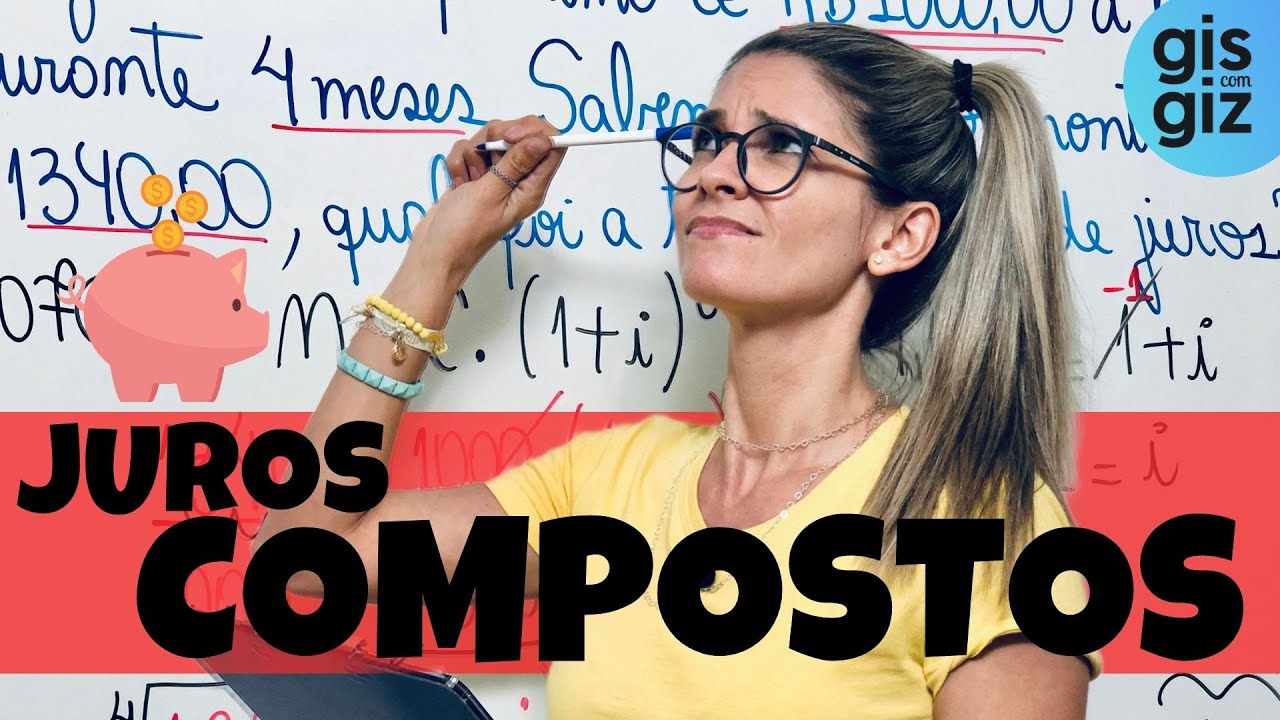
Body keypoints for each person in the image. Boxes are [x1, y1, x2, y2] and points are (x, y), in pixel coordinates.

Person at [254, 22, 1102, 719]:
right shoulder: (607, 483)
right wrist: (437, 260)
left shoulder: (982, 516)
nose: (713, 175)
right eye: (707, 140)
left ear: (898, 235)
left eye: (780, 146)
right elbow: (300, 562)